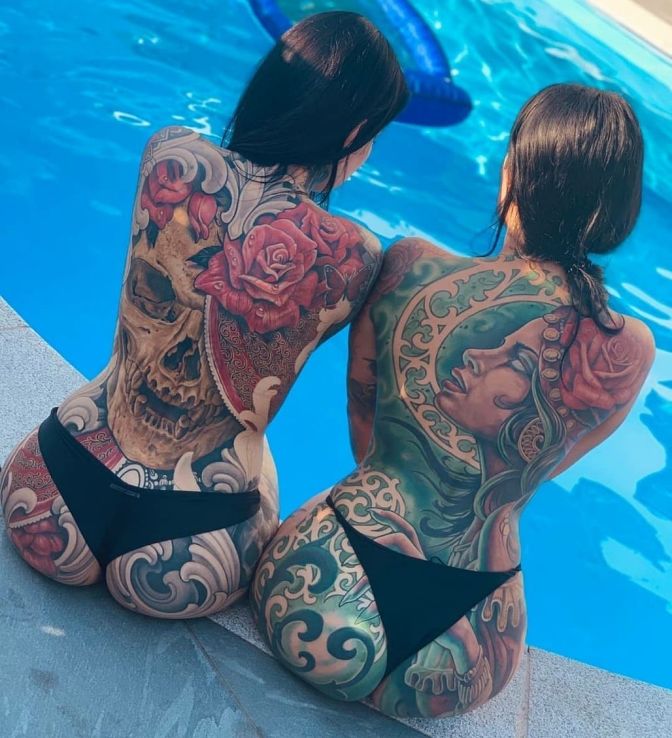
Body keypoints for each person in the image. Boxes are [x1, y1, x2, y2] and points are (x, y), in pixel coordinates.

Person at [251, 83, 655, 717]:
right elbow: (540, 466)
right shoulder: (627, 349)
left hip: (321, 588)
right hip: (473, 651)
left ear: (515, 173)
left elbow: (365, 430)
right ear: (618, 207)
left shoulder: (411, 266)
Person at [0, 12, 408, 619]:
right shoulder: (355, 254)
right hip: (193, 550)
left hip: (47, 491)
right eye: (373, 136)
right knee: (260, 448)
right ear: (353, 130)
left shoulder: (171, 155)